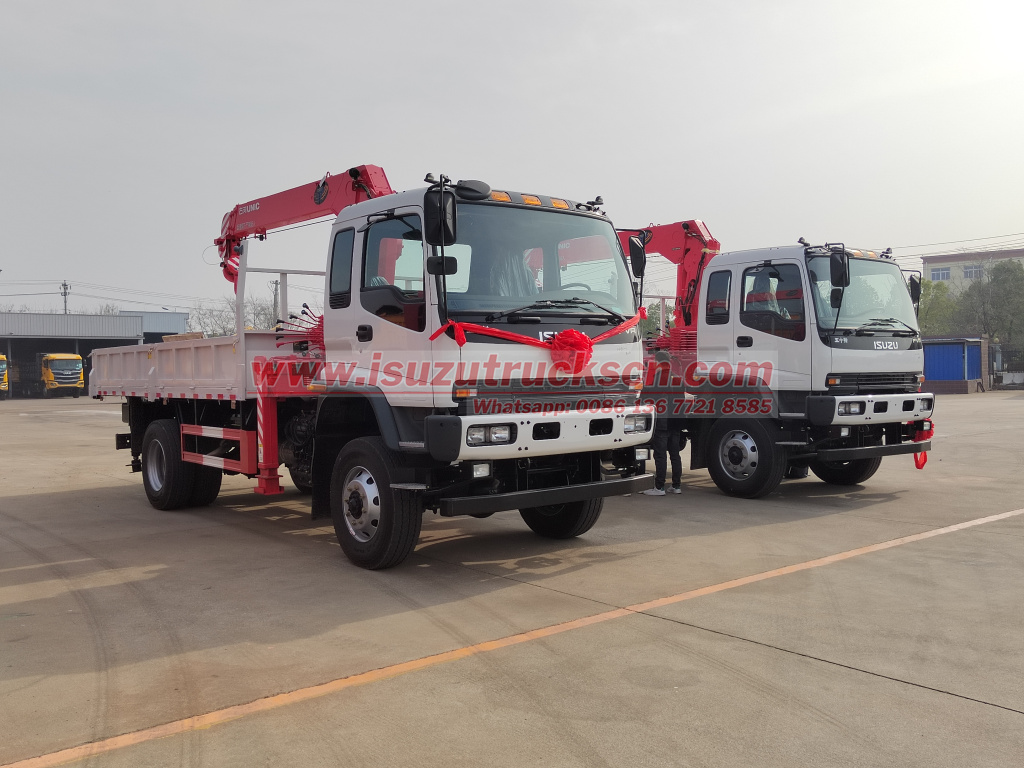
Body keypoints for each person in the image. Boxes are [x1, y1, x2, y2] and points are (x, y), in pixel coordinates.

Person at [643, 351, 684, 495]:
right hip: (676, 421)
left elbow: (649, 397)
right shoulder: (678, 378)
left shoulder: (658, 378)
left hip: (663, 421)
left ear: (658, 362)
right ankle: (676, 486)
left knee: (660, 454)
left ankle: (659, 487)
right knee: (675, 454)